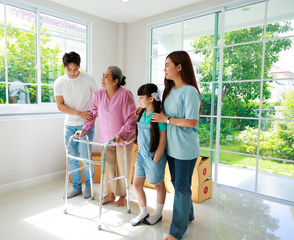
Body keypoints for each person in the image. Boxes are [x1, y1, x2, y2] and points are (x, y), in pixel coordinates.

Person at [151, 51, 201, 240]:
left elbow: (191, 121)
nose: (164, 69)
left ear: (179, 67)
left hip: (185, 150)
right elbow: (162, 114)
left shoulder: (190, 91)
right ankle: (188, 215)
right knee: (179, 185)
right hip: (172, 148)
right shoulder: (170, 90)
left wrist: (168, 119)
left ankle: (176, 232)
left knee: (181, 188)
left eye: (167, 64)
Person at [76, 66, 137, 207]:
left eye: (106, 77)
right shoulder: (99, 95)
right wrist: (84, 128)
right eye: (103, 76)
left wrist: (122, 134)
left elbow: (132, 118)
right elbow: (93, 113)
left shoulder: (126, 94)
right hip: (106, 139)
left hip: (123, 139)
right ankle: (110, 194)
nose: (102, 79)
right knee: (108, 166)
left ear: (115, 81)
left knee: (123, 167)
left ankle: (123, 195)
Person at [54, 51, 100, 199]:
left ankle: (89, 185)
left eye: (76, 69)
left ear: (79, 67)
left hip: (85, 126)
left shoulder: (88, 79)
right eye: (69, 69)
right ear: (64, 67)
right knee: (72, 157)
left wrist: (95, 113)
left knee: (86, 157)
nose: (73, 73)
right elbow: (60, 105)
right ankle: (76, 187)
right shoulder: (60, 82)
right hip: (69, 125)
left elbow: (100, 98)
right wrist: (78, 113)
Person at [125, 83, 167, 226]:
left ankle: (158, 213)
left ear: (151, 99)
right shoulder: (142, 113)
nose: (139, 101)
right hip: (141, 156)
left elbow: (162, 141)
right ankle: (144, 212)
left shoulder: (157, 116)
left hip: (154, 156)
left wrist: (156, 160)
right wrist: (127, 141)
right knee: (136, 185)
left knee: (159, 185)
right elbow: (138, 135)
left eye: (141, 98)